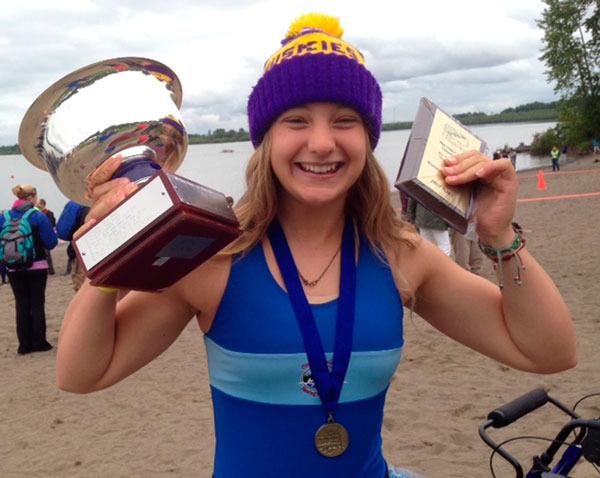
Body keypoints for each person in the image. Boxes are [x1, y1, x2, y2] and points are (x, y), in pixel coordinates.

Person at [56, 13, 577, 478]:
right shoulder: (215, 259)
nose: (323, 143)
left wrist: (498, 236)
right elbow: (83, 373)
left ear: (368, 138)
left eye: (345, 120)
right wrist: (112, 255)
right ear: (266, 140)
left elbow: (548, 351)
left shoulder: (400, 255)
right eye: (296, 120)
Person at [1, 184, 57, 354]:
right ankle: (40, 342)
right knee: (37, 303)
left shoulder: (4, 217)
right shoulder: (38, 216)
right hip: (37, 266)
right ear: (32, 197)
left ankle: (24, 345)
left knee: (21, 303)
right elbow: (51, 243)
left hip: (13, 268)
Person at [56, 200, 89, 291]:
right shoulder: (119, 193)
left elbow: (63, 231)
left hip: (82, 252)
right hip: (113, 252)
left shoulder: (75, 203)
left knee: (83, 291)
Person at [35, 198, 56, 274]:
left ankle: (50, 269)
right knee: (42, 253)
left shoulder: (49, 213)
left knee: (47, 253)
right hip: (39, 236)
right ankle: (44, 269)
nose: (37, 205)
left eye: (38, 203)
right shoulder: (37, 213)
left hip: (46, 235)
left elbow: (53, 223)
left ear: (43, 204)